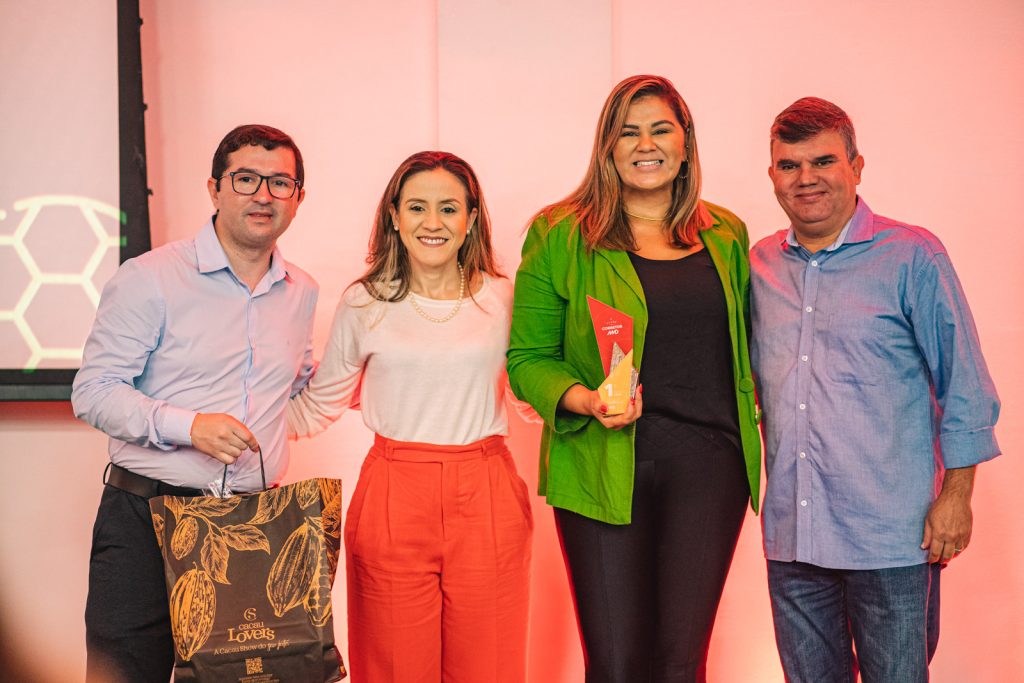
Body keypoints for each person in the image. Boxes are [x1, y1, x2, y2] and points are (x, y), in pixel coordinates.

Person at [507, 74, 761, 682]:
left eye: (660, 129)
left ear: (685, 142)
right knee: (616, 664)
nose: (645, 145)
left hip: (709, 468)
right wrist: (585, 399)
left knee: (680, 664)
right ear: (608, 147)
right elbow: (527, 359)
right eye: (628, 132)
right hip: (599, 462)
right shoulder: (561, 234)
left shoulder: (726, 235)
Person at [750, 97, 1001, 682]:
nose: (806, 178)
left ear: (857, 167)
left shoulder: (913, 256)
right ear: (772, 175)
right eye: (789, 165)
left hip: (892, 540)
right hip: (793, 540)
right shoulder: (759, 266)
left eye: (823, 161)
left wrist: (956, 496)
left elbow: (965, 383)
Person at [72, 124, 317, 683]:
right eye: (246, 179)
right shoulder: (150, 278)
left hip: (252, 525)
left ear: (298, 198)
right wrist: (190, 426)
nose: (263, 195)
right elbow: (93, 391)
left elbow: (296, 384)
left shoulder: (302, 291)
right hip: (146, 519)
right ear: (215, 189)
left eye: (280, 182)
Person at [287, 151, 535, 682]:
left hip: (487, 488)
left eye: (449, 208)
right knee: (394, 669)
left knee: (490, 667)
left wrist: (588, 393)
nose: (432, 222)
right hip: (393, 493)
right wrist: (229, 421)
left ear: (471, 219)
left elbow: (527, 395)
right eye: (417, 207)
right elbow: (318, 405)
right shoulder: (364, 302)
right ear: (394, 217)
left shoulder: (503, 298)